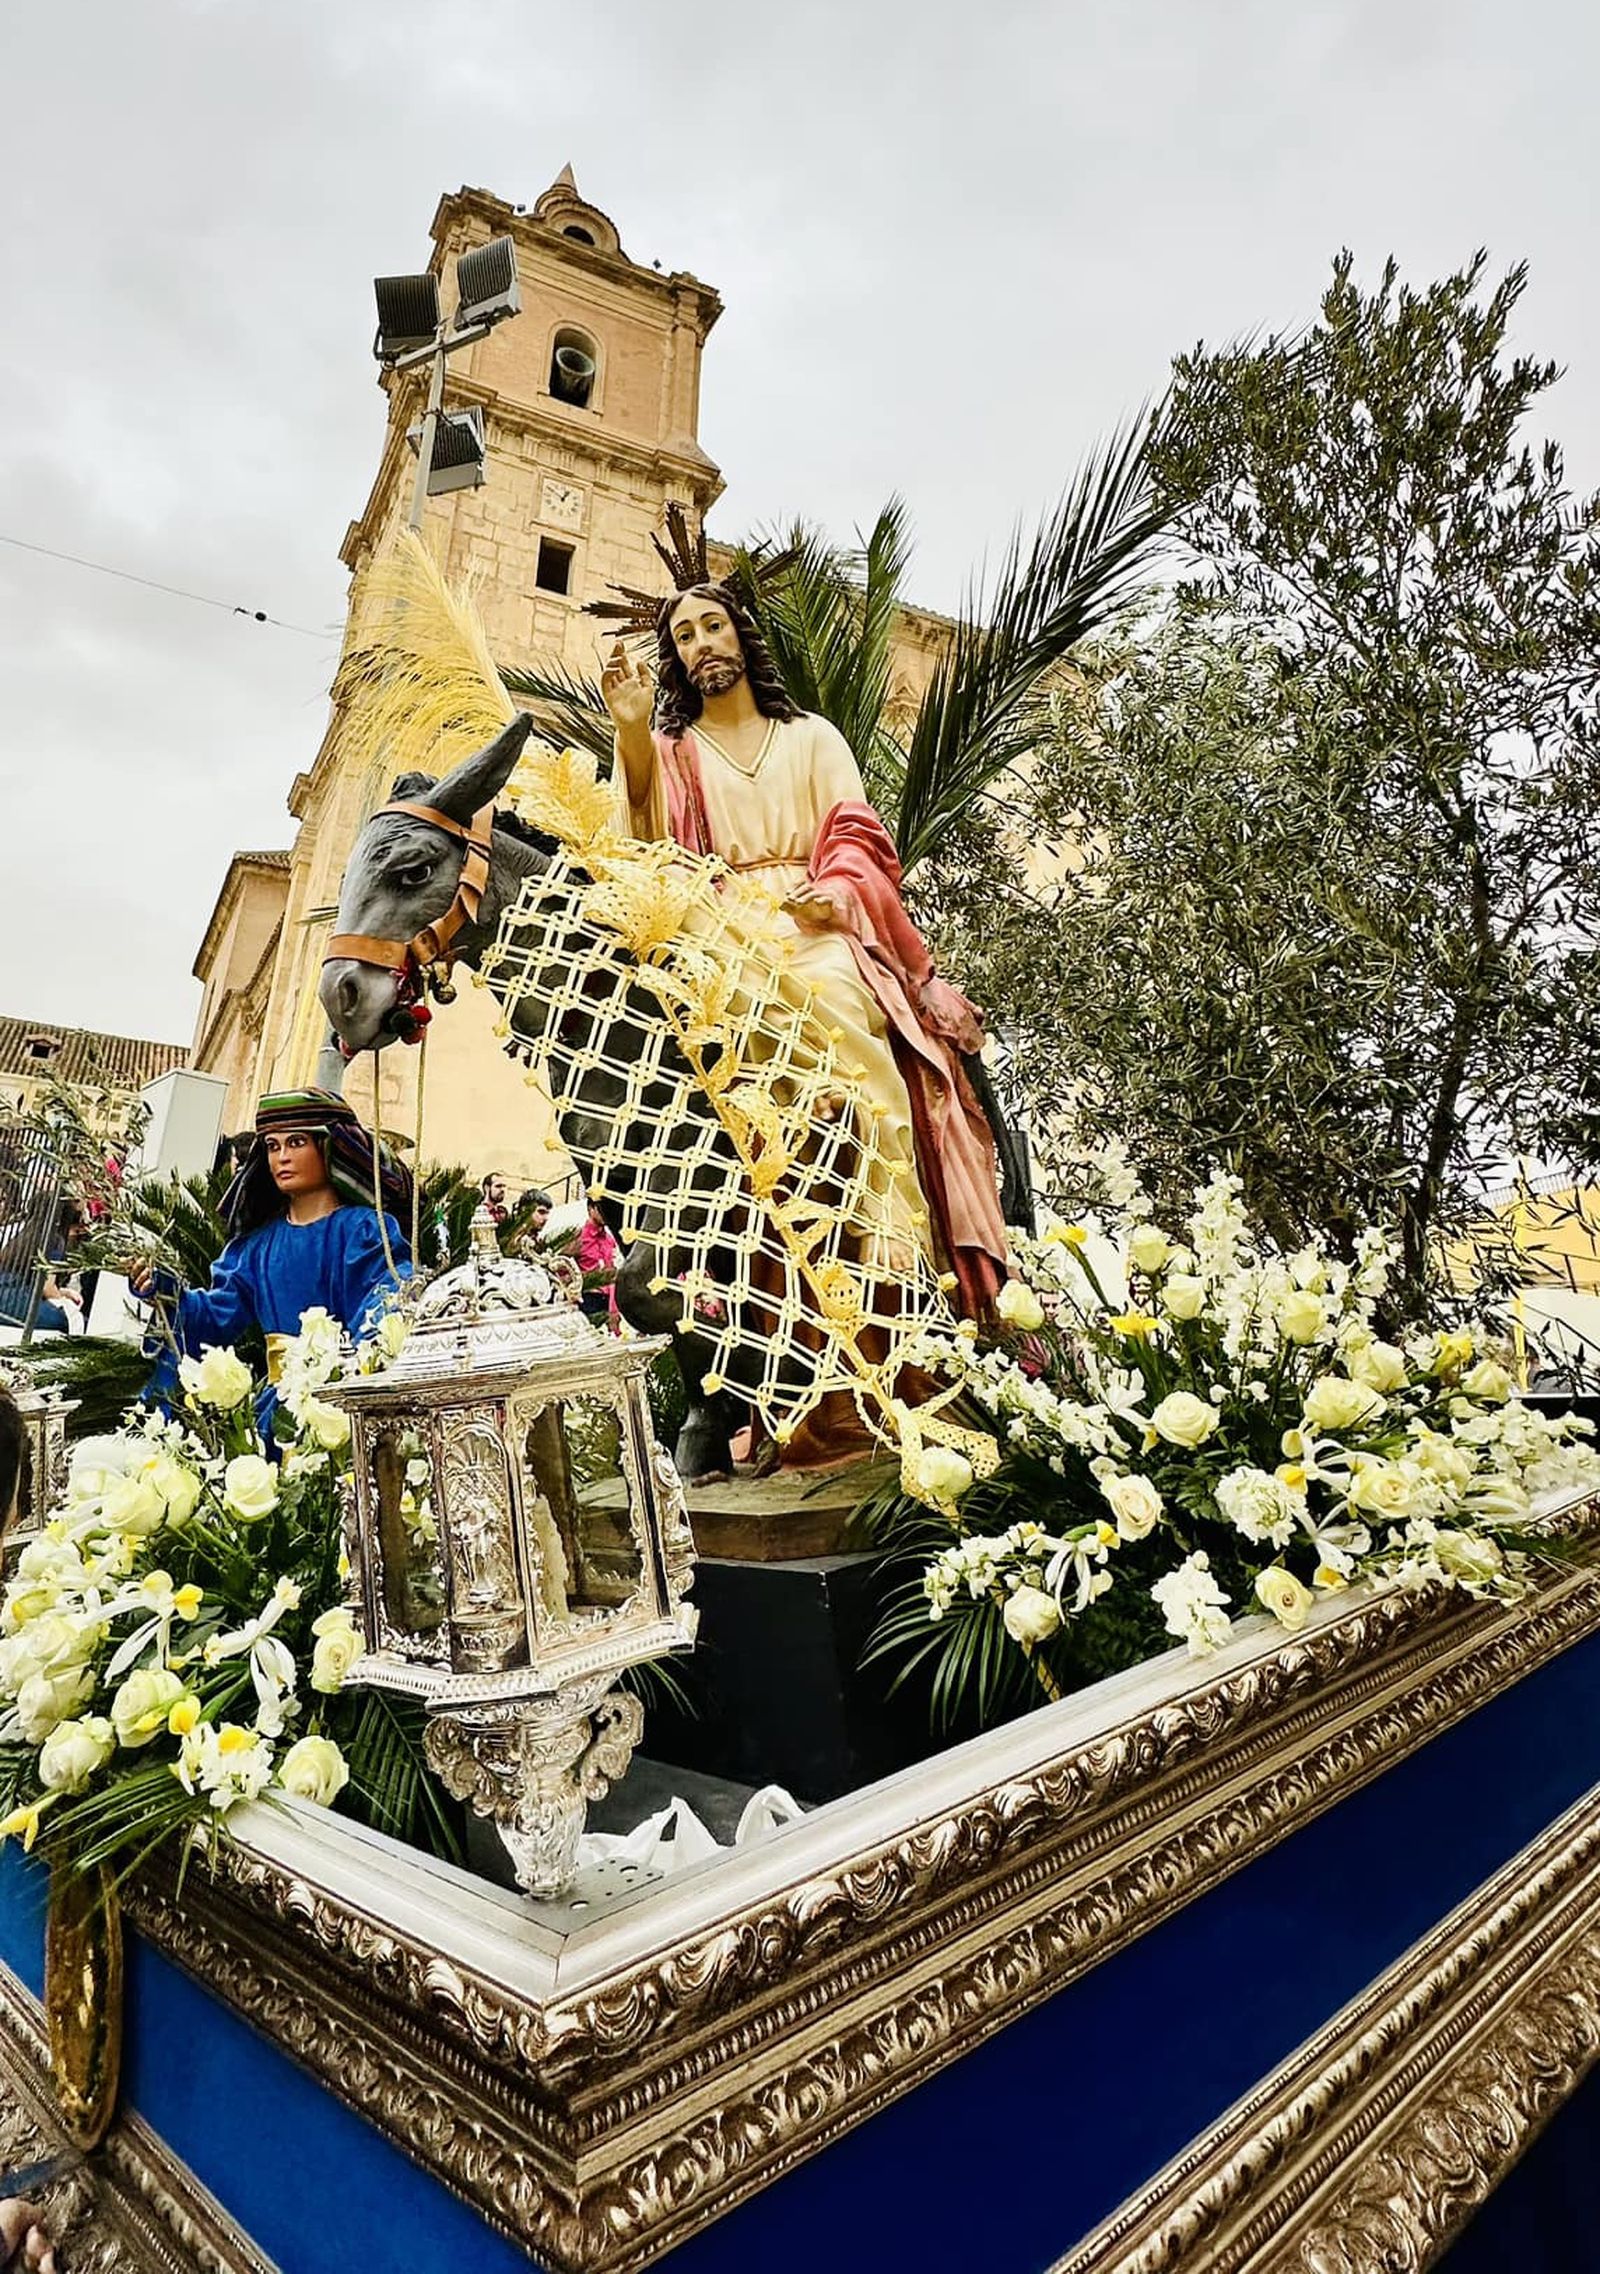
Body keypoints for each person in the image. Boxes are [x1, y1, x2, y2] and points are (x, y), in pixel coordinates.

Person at [600, 576, 1008, 1317]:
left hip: (814, 914)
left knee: (836, 990)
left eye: (712, 627)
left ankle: (888, 1209)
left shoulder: (810, 736)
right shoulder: (673, 750)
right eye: (684, 636)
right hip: (719, 921)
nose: (701, 645)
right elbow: (646, 849)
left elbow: (857, 835)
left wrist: (838, 894)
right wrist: (630, 732)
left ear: (742, 637)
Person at [132, 1089, 412, 1430]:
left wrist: (340, 1370)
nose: (282, 1157)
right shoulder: (256, 1248)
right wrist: (167, 1293)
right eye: (272, 1146)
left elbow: (389, 1298)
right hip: (275, 1415)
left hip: (342, 1405)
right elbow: (213, 1317)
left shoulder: (363, 1231)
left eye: (296, 1143)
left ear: (329, 1148)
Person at [572, 1193, 620, 1327]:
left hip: (609, 1301)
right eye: (601, 1208)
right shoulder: (578, 1237)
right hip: (587, 1300)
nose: (606, 1213)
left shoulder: (610, 1240)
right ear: (590, 1209)